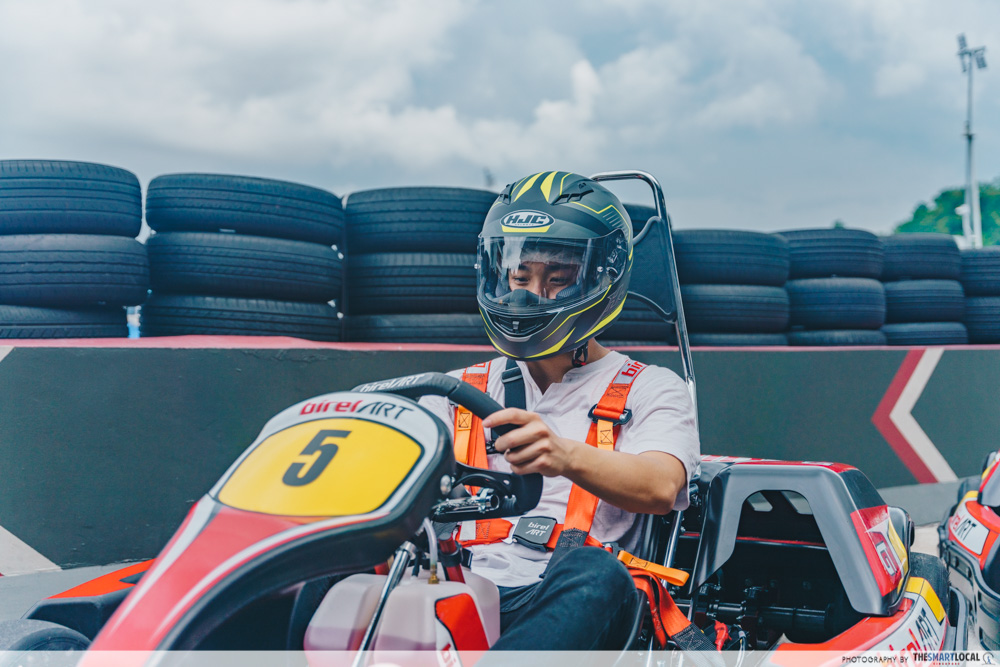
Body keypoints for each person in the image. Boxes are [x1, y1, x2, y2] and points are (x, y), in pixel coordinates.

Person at [420, 171, 699, 652]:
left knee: (599, 573)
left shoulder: (650, 387)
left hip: (562, 594)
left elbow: (660, 486)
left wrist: (564, 455)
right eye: (519, 277)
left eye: (558, 279)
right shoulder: (456, 391)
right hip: (453, 584)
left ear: (602, 279)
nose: (528, 296)